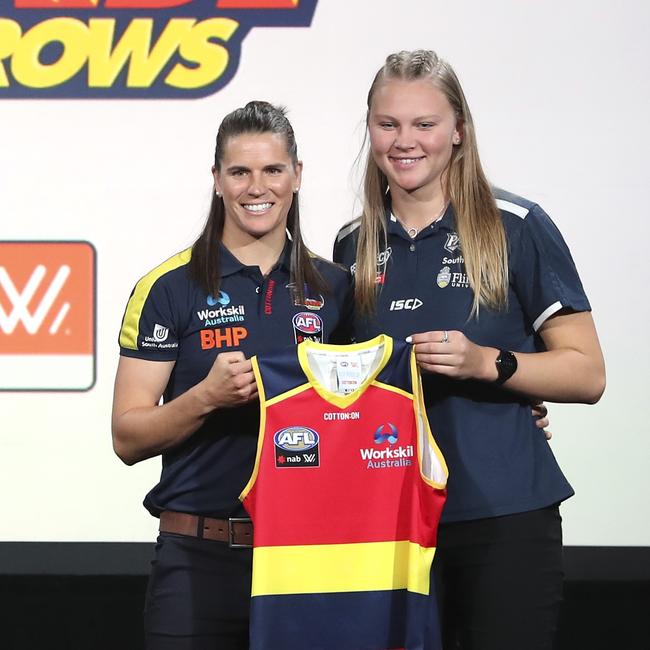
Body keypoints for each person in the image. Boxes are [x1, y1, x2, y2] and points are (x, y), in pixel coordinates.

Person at [333, 50, 605, 650]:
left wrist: (490, 364)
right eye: (388, 124)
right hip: (390, 524)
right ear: (370, 129)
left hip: (502, 517)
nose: (405, 142)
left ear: (459, 130)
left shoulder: (517, 224)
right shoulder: (353, 243)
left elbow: (587, 373)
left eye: (424, 124)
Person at [112, 100, 351, 650]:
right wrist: (205, 398)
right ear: (217, 178)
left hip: (309, 560)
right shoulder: (168, 287)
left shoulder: (340, 290)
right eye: (239, 171)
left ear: (297, 175)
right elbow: (127, 437)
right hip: (197, 559)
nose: (256, 187)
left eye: (272, 170)